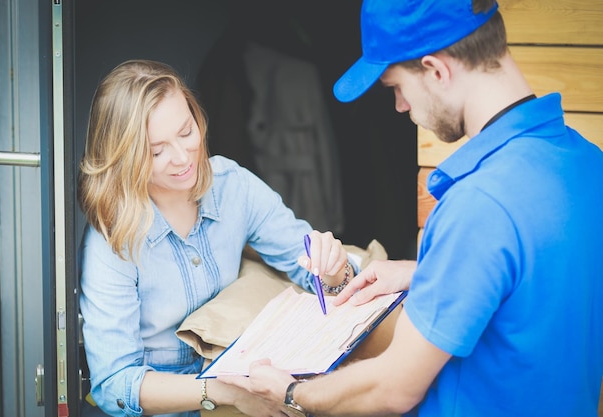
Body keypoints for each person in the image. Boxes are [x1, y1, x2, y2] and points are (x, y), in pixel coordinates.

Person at [222, 0, 603, 416]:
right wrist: (426, 270)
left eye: (396, 88)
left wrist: (292, 393)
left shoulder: (478, 204)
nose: (400, 106)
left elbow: (394, 389)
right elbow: (538, 278)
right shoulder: (587, 162)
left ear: (436, 70)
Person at [77, 59, 356, 417]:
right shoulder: (111, 239)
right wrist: (224, 391)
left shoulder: (233, 186)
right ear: (123, 156)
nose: (182, 158)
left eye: (186, 131)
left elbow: (309, 263)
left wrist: (333, 273)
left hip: (247, 380)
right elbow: (115, 384)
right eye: (156, 150)